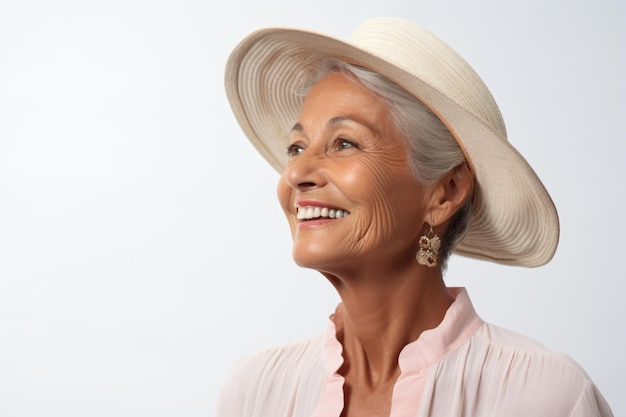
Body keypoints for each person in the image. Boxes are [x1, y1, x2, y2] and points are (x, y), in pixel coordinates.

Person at [218, 17, 613, 417]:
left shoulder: (546, 396)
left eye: (344, 143)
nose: (296, 175)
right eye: (296, 147)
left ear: (446, 192)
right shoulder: (254, 392)